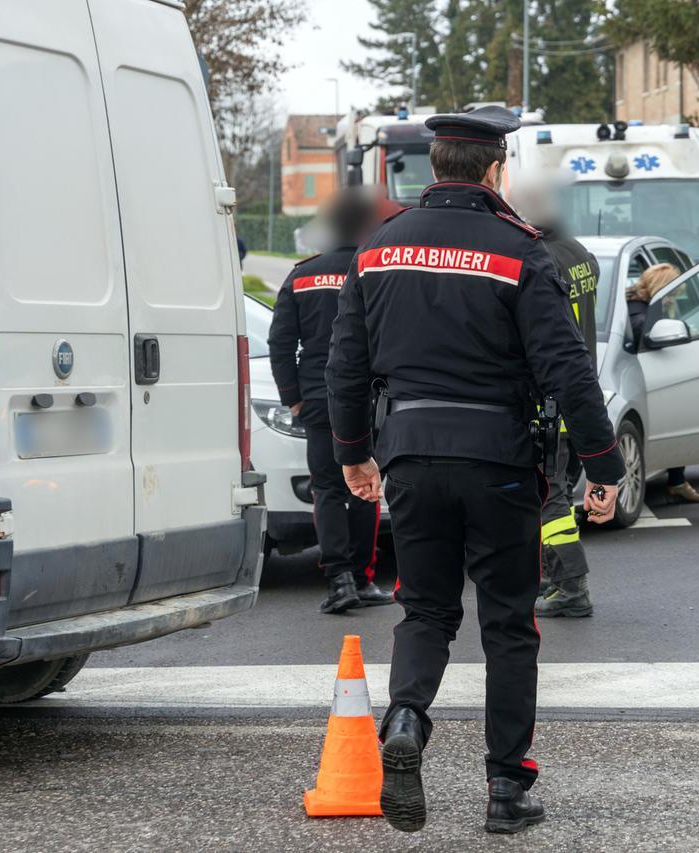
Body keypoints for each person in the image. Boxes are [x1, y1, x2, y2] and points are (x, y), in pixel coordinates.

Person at [325, 106, 624, 835]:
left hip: (410, 455)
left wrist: (353, 453)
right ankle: (505, 789)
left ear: (435, 167)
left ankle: (404, 719)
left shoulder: (380, 247)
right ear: (496, 170)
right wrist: (602, 463)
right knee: (508, 626)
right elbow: (566, 369)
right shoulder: (522, 251)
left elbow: (344, 365)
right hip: (500, 460)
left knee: (424, 608)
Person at [269, 191, 393, 613]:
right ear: (366, 226)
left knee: (328, 487)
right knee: (366, 486)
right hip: (367, 397)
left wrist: (293, 398)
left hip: (319, 400)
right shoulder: (374, 270)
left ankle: (339, 580)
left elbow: (280, 342)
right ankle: (361, 578)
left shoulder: (302, 275)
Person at [510, 174, 602, 618]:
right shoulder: (580, 253)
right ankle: (551, 582)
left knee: (551, 498)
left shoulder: (539, 258)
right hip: (581, 397)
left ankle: (571, 586)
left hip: (552, 403)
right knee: (556, 492)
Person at [626, 263, 699, 503]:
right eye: (672, 292)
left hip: (658, 376)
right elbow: (641, 328)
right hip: (641, 378)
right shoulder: (637, 309)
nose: (675, 298)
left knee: (678, 421)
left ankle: (677, 481)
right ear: (660, 289)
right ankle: (676, 481)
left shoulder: (648, 306)